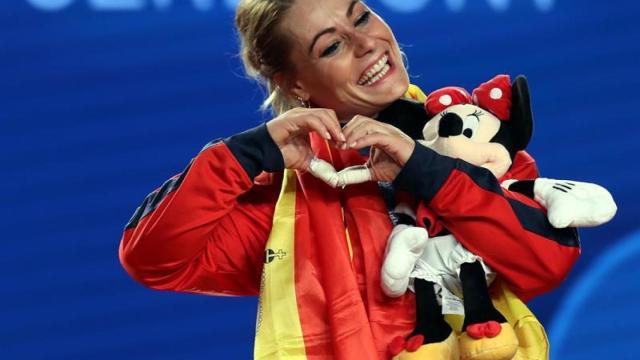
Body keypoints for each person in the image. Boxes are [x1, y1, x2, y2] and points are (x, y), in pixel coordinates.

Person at [118, 0, 579, 358]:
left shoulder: (469, 137)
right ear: (294, 83)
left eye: (360, 17)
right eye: (331, 46)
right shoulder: (283, 206)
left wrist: (422, 166)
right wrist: (248, 152)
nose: (367, 44)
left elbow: (546, 260)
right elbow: (154, 258)